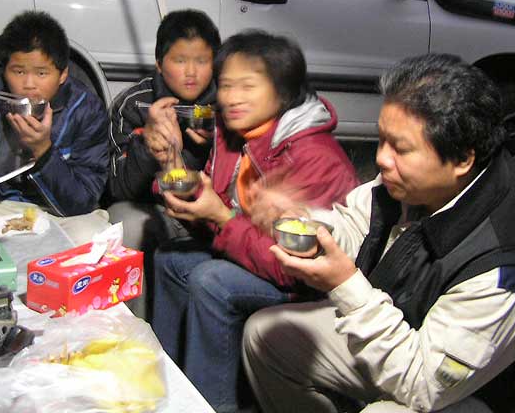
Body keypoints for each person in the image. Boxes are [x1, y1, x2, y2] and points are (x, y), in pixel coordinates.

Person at [243, 53, 515, 413]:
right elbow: (358, 225)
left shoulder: (505, 268)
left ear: (462, 159)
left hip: (470, 392)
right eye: (382, 139)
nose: (382, 159)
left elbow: (423, 384)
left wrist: (344, 285)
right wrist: (312, 228)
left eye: (400, 148)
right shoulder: (411, 184)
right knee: (266, 336)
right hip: (399, 331)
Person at [151, 30, 360, 413]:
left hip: (308, 284)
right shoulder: (235, 135)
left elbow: (294, 270)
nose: (231, 98)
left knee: (212, 281)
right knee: (171, 259)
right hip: (255, 255)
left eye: (248, 86)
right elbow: (221, 222)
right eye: (226, 85)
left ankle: (212, 404)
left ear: (283, 92)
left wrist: (219, 216)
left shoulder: (314, 156)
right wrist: (186, 190)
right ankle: (167, 383)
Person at [107, 9, 221, 318]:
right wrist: (148, 145)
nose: (191, 72)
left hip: (215, 212)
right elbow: (117, 188)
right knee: (125, 222)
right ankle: (134, 328)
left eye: (202, 61)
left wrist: (217, 142)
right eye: (180, 60)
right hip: (156, 210)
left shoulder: (226, 104)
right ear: (159, 63)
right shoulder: (135, 103)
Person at [0, 11, 109, 219]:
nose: (29, 84)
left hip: (58, 214)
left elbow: (82, 202)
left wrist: (43, 151)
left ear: (63, 75)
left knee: (92, 230)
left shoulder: (85, 110)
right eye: (19, 72)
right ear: (4, 70)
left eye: (41, 73)